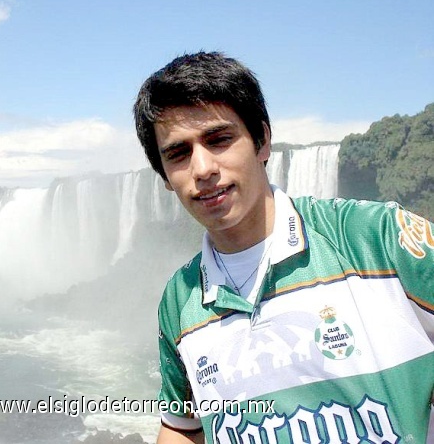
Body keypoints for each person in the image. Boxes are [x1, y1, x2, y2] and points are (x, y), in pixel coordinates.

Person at [133, 51, 434, 444]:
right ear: (166, 177)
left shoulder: (375, 238)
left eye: (219, 139)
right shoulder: (179, 300)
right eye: (178, 153)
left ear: (261, 141)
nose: (203, 168)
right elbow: (181, 427)